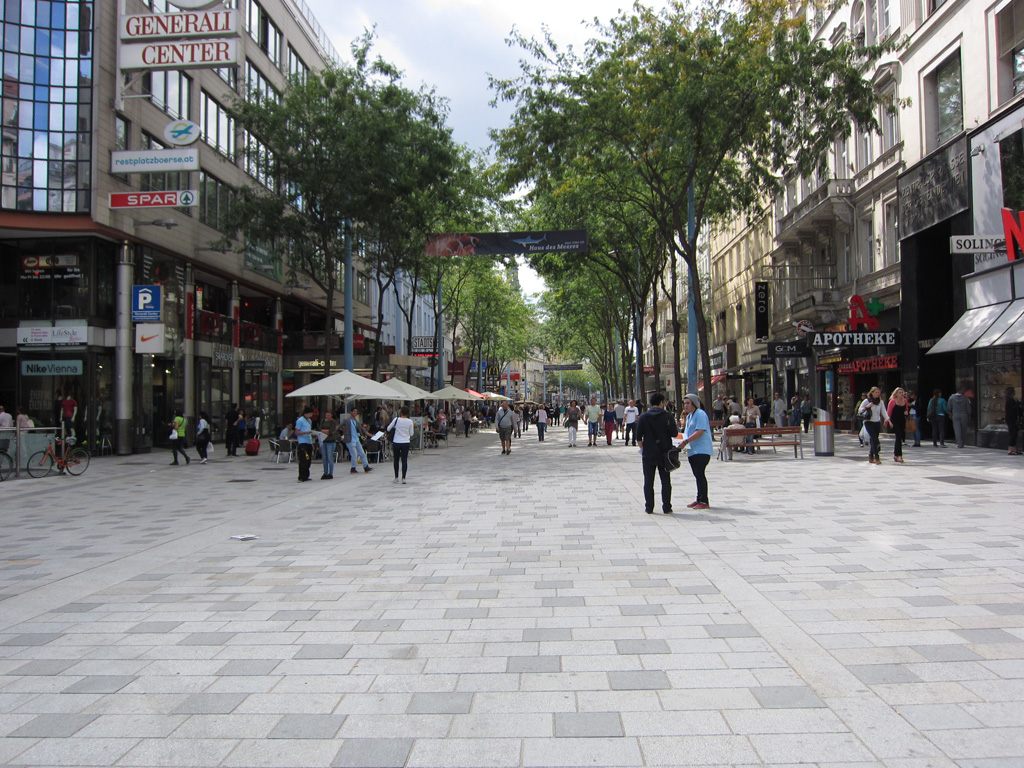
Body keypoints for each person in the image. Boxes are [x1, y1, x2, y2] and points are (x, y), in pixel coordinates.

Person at [636, 392, 679, 514]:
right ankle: (667, 507)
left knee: (648, 481)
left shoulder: (643, 417)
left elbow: (638, 437)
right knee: (665, 481)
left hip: (648, 453)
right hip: (665, 453)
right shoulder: (668, 416)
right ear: (661, 402)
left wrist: (644, 449)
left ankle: (649, 507)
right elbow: (674, 433)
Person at [680, 393, 712, 508]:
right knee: (697, 475)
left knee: (700, 474)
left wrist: (685, 441)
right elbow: (687, 432)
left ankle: (704, 500)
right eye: (684, 403)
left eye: (688, 403)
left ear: (694, 403)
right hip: (692, 451)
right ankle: (699, 498)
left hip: (701, 450)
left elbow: (700, 431)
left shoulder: (700, 414)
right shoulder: (689, 416)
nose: (686, 406)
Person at [859, 387, 891, 464]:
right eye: (876, 392)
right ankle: (876, 457)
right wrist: (867, 407)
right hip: (868, 422)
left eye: (878, 392)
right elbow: (860, 410)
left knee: (874, 439)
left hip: (877, 422)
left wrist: (888, 420)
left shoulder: (880, 402)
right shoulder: (867, 401)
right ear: (872, 393)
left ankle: (871, 455)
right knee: (874, 439)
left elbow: (884, 412)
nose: (877, 394)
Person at [387, 406, 415, 484]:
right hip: (406, 442)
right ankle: (404, 478)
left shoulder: (396, 420)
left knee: (396, 460)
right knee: (404, 460)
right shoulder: (410, 421)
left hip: (396, 441)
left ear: (401, 412)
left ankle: (396, 477)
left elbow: (388, 428)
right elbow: (411, 433)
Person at [345, 405, 373, 474]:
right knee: (354, 455)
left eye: (356, 412)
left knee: (362, 453)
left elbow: (362, 429)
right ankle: (353, 468)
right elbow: (340, 426)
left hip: (356, 440)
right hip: (350, 440)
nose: (355, 413)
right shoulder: (347, 420)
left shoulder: (356, 421)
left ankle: (366, 466)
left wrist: (370, 435)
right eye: (354, 411)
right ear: (351, 412)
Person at [886, 387, 909, 463]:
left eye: (902, 392)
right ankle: (899, 455)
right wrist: (888, 421)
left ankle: (896, 454)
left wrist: (906, 412)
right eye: (900, 392)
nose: (901, 394)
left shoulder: (905, 401)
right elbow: (888, 412)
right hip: (894, 421)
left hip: (902, 421)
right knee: (898, 436)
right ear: (896, 394)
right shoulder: (892, 401)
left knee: (900, 438)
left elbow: (906, 409)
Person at [294, 405, 315, 482]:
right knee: (303, 459)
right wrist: (304, 432)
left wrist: (312, 443)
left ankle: (306, 475)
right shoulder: (300, 420)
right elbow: (296, 432)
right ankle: (301, 476)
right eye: (310, 414)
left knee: (308, 460)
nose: (311, 415)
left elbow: (310, 433)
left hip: (308, 441)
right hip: (302, 442)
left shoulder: (309, 421)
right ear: (306, 413)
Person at [319, 409, 339, 479]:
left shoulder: (333, 422)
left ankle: (330, 473)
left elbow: (331, 431)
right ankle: (325, 472)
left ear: (331, 415)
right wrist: (326, 431)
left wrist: (326, 431)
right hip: (323, 440)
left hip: (330, 441)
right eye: (326, 415)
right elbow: (320, 429)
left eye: (328, 415)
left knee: (330, 457)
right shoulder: (323, 421)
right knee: (324, 458)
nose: (327, 416)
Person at [1005, 387, 1020, 455]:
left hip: (1011, 418)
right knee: (1013, 433)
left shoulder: (1009, 400)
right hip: (1011, 419)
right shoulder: (1010, 400)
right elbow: (1014, 408)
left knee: (1014, 433)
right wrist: (1018, 403)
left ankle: (1014, 448)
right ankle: (1010, 448)